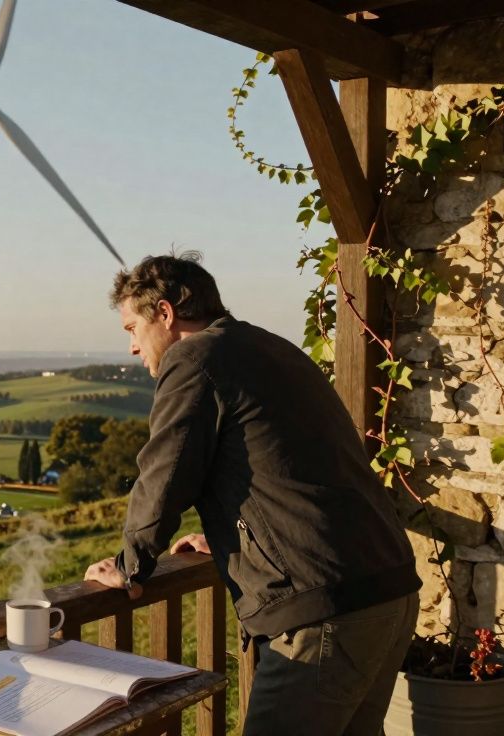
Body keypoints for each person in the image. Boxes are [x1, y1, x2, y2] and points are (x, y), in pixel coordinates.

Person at [83, 252, 421, 735]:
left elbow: (165, 473)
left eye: (132, 329)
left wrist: (130, 564)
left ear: (165, 313)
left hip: (323, 608)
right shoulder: (269, 347)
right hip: (387, 588)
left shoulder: (194, 358)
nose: (133, 347)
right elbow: (286, 465)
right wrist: (232, 538)